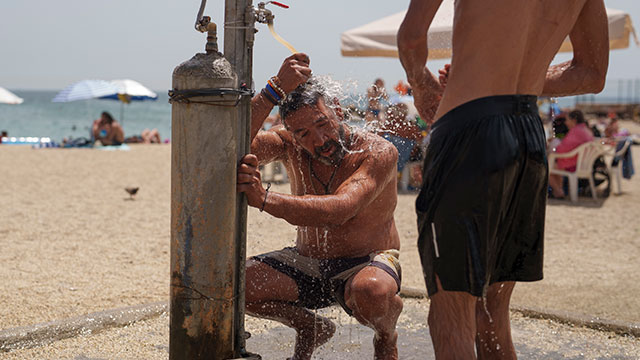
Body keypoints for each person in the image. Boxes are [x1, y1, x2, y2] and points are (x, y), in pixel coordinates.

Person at [397, 0, 609, 358]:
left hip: (469, 132)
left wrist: (421, 84)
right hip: (528, 135)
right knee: (491, 317)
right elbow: (591, 73)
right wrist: (507, 73)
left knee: (451, 315)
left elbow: (412, 38)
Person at [238, 53, 403, 360]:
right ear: (291, 133)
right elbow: (231, 142)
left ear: (337, 110)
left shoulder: (378, 151)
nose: (319, 139)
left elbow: (342, 208)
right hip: (309, 260)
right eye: (303, 134)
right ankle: (311, 327)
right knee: (237, 285)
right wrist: (273, 90)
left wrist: (264, 199)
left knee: (372, 293)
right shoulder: (288, 144)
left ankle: (386, 334)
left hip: (366, 262)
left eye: (322, 123)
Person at [548, 110, 594, 198]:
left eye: (567, 120)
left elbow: (561, 150)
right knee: (554, 166)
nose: (565, 122)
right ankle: (558, 191)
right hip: (583, 164)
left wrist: (554, 147)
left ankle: (558, 192)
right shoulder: (585, 130)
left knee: (548, 167)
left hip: (574, 164)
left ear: (574, 120)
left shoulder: (576, 131)